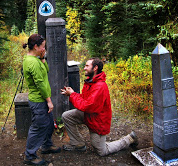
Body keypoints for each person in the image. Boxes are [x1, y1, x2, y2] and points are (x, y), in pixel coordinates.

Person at [60, 57, 138, 156]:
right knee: (67, 116)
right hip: (89, 115)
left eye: (87, 66)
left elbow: (87, 106)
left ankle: (129, 139)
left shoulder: (100, 86)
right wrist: (72, 94)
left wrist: (72, 95)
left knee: (102, 151)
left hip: (98, 121)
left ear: (95, 68)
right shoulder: (90, 82)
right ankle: (78, 144)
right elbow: (85, 100)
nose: (84, 68)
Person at [22, 34, 61, 165]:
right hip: (39, 100)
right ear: (35, 46)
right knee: (38, 127)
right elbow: (40, 84)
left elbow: (47, 70)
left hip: (42, 99)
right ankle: (30, 156)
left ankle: (46, 145)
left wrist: (43, 58)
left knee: (49, 123)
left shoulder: (37, 58)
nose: (44, 48)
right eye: (43, 46)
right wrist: (49, 101)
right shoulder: (32, 62)